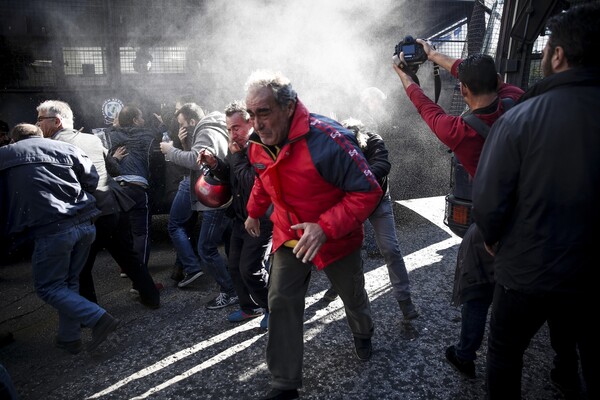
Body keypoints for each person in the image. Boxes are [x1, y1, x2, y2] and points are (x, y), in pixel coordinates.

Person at [472, 4, 599, 399]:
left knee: (506, 354)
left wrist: (494, 239)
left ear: (557, 55)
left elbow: (490, 202)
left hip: (527, 271)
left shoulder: (519, 119)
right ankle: (566, 376)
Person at [243, 70, 382, 400]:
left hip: (336, 237)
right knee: (280, 302)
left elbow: (368, 192)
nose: (256, 124)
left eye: (264, 112)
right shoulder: (257, 144)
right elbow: (264, 180)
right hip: (288, 236)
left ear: (289, 107)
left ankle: (364, 332)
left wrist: (325, 227)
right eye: (251, 114)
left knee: (353, 296)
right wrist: (252, 211)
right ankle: (285, 384)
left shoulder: (329, 139)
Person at [393, 45, 524, 378]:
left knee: (476, 286)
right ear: (497, 79)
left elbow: (423, 105)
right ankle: (565, 369)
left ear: (463, 90)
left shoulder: (457, 131)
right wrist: (435, 55)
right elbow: (473, 74)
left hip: (496, 221)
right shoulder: (516, 98)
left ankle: (466, 354)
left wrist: (407, 77)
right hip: (534, 211)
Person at [0, 123, 119, 354]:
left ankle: (99, 319)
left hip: (52, 230)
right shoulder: (66, 148)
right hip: (85, 222)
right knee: (69, 281)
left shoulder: (6, 154)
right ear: (40, 134)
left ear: (14, 139)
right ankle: (69, 338)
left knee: (48, 287)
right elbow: (91, 181)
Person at [35, 100, 161, 309]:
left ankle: (92, 313)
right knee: (128, 256)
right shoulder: (91, 139)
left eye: (40, 119)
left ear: (56, 121)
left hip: (86, 215)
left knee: (81, 267)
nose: (37, 124)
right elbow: (113, 169)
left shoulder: (48, 148)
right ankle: (152, 298)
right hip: (112, 208)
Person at [321, 118, 418, 321]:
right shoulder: (334, 146)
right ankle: (338, 286)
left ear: (359, 139)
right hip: (350, 203)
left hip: (378, 201)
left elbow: (383, 165)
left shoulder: (373, 140)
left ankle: (405, 300)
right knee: (341, 250)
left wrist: (356, 179)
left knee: (391, 249)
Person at [197, 100, 272, 329]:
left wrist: (237, 157)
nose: (232, 134)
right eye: (229, 129)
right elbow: (232, 177)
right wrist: (215, 164)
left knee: (251, 268)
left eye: (236, 128)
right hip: (240, 217)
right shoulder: (237, 147)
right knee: (235, 267)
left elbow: (253, 181)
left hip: (260, 219)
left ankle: (273, 308)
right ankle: (249, 308)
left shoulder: (259, 145)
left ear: (250, 123)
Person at [160, 103, 237, 309]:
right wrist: (185, 143)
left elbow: (196, 160)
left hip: (216, 195)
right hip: (225, 192)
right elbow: (203, 159)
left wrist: (171, 150)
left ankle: (230, 292)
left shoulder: (205, 129)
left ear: (192, 121)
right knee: (231, 242)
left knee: (206, 248)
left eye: (182, 124)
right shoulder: (216, 125)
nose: (181, 128)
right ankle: (240, 286)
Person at [105, 105, 162, 269]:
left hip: (116, 190)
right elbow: (161, 136)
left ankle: (127, 268)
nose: (143, 120)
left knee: (122, 232)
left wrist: (115, 126)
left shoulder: (112, 135)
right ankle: (139, 274)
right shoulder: (147, 134)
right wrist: (162, 124)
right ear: (135, 120)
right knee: (140, 233)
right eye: (141, 117)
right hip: (136, 188)